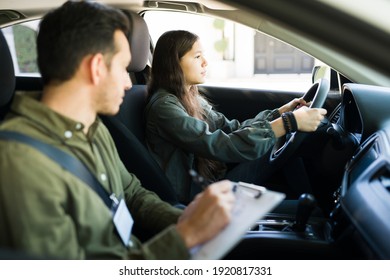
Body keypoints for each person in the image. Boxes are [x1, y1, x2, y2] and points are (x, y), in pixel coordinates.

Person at [0, 1, 235, 260]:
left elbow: (132, 193)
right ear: (96, 68)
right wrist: (184, 237)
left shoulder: (93, 126)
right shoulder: (20, 161)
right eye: (123, 68)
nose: (127, 83)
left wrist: (184, 219)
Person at [145, 30, 327, 205]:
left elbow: (232, 128)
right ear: (174, 63)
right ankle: (316, 210)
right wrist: (288, 123)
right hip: (196, 195)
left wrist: (280, 113)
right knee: (282, 142)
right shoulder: (164, 107)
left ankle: (312, 207)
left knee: (283, 142)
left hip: (211, 180)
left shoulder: (191, 98)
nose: (205, 62)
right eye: (197, 56)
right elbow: (218, 144)